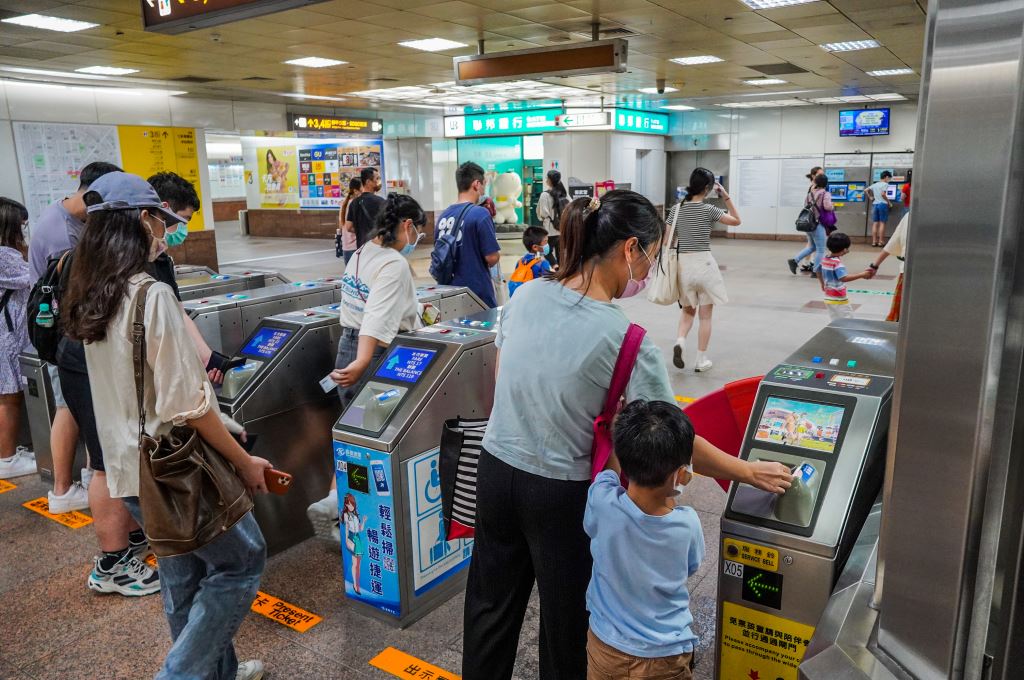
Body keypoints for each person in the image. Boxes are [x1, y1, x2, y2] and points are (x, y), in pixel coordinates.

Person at [461, 190, 791, 680]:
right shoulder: (626, 339)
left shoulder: (526, 293)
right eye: (651, 257)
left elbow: (503, 377)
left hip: (493, 469)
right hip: (558, 493)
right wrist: (746, 470)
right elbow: (673, 438)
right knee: (564, 624)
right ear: (630, 249)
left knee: (489, 607)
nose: (648, 271)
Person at [62, 171, 270, 680]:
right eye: (160, 221)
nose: (165, 231)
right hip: (171, 465)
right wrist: (244, 462)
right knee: (242, 560)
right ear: (141, 220)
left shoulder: (91, 292)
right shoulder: (149, 295)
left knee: (183, 575)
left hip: (126, 465)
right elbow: (187, 406)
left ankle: (217, 673)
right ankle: (181, 674)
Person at [306, 194, 427, 542]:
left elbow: (363, 302)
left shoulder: (361, 253)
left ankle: (334, 502)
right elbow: (375, 316)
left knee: (353, 434)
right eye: (417, 230)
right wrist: (362, 362)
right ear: (407, 225)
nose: (417, 238)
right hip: (374, 357)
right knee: (373, 443)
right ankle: (356, 518)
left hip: (347, 346)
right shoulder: (393, 263)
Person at [585, 400, 703, 680]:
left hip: (605, 648)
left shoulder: (602, 502)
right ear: (680, 475)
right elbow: (691, 566)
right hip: (664, 656)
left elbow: (609, 472)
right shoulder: (686, 524)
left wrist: (615, 432)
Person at [28, 160, 121, 513]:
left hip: (66, 329)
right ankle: (63, 491)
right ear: (94, 192)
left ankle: (84, 479)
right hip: (63, 334)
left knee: (76, 406)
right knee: (68, 407)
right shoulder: (62, 235)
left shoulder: (68, 217)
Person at [667, 168, 741, 373]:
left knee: (687, 312)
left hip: (684, 266)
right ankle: (700, 360)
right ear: (708, 188)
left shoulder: (676, 209)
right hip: (705, 266)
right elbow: (736, 220)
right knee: (705, 316)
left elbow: (667, 241)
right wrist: (725, 196)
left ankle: (680, 341)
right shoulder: (709, 209)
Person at [0, 199, 36, 480]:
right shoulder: (4, 255)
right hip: (7, 336)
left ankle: (7, 452)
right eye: (21, 225)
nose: (24, 230)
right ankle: (7, 459)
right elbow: (33, 277)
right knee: (9, 398)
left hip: (7, 333)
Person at [435, 162, 501, 308]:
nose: (483, 191)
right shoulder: (480, 214)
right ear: (476, 184)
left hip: (448, 292)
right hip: (476, 294)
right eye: (484, 185)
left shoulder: (443, 216)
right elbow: (491, 258)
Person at [787, 174, 833, 277]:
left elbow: (805, 206)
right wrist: (832, 206)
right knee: (821, 249)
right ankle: (816, 271)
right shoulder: (825, 193)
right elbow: (827, 207)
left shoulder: (810, 194)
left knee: (812, 247)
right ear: (826, 183)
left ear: (816, 183)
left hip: (808, 224)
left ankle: (794, 261)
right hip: (818, 224)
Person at [819, 232, 873, 320]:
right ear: (844, 250)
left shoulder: (824, 259)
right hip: (839, 298)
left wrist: (822, 283)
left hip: (828, 297)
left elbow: (817, 270)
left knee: (835, 320)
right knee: (848, 320)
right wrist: (861, 274)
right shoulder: (837, 263)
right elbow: (844, 278)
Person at [868, 212, 909, 322]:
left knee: (903, 314)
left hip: (908, 272)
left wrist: (875, 266)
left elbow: (893, 243)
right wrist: (875, 266)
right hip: (934, 276)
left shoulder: (909, 215)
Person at [508, 226, 551, 297]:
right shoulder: (543, 263)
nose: (547, 245)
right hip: (536, 298)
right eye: (545, 242)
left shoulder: (520, 261)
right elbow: (548, 286)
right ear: (535, 247)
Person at [536, 169, 567, 268]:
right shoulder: (564, 194)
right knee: (560, 253)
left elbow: (542, 213)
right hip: (562, 229)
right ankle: (561, 271)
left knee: (546, 251)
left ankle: (554, 266)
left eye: (547, 178)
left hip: (549, 230)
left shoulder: (544, 195)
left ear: (549, 180)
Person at [347, 167, 385, 248]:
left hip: (361, 248)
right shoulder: (380, 201)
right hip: (377, 247)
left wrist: (361, 232)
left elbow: (349, 227)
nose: (379, 181)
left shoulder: (354, 203)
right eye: (377, 178)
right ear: (368, 182)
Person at [341, 493, 367, 594]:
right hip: (351, 537)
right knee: (355, 564)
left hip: (357, 538)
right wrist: (347, 540)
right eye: (349, 504)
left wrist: (363, 521)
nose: (351, 506)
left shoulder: (356, 515)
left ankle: (357, 585)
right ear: (346, 504)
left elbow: (360, 529)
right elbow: (347, 528)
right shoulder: (346, 515)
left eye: (352, 504)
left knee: (358, 564)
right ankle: (355, 585)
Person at [867, 171, 893, 247]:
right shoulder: (885, 184)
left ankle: (874, 242)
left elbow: (866, 190)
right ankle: (881, 242)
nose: (889, 180)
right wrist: (889, 202)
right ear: (886, 177)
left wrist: (870, 197)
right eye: (889, 178)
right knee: (882, 223)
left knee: (875, 223)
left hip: (875, 205)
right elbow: (883, 194)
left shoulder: (875, 184)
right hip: (883, 204)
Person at [339, 177, 362, 264]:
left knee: (350, 272)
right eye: (363, 188)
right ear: (355, 190)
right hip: (356, 246)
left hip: (346, 246)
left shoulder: (344, 203)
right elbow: (350, 227)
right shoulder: (356, 204)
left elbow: (341, 225)